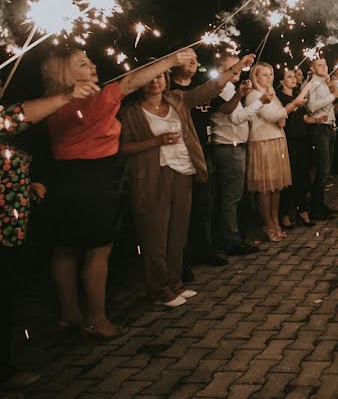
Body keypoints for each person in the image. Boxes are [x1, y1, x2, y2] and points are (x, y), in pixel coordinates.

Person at [41, 48, 195, 339]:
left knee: (66, 248)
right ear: (65, 74)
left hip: (64, 179)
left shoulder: (51, 104)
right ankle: (98, 320)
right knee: (98, 251)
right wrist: (171, 60)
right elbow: (130, 82)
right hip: (93, 181)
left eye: (90, 60)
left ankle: (69, 313)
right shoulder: (92, 102)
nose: (93, 65)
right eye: (83, 64)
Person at [118, 54, 254, 306]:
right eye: (150, 77)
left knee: (178, 233)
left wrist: (237, 67)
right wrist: (155, 142)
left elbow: (210, 88)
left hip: (183, 171)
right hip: (152, 177)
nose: (155, 81)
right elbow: (122, 148)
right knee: (155, 235)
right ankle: (159, 290)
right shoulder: (130, 112)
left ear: (166, 79)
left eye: (160, 76)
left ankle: (174, 283)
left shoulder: (178, 100)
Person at [1, 81, 99, 390]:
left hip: (10, 221)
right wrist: (66, 96)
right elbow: (12, 116)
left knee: (9, 292)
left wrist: (22, 183)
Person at [168, 48, 227, 279]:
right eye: (187, 57)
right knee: (183, 210)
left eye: (195, 57)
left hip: (204, 151)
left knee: (205, 203)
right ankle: (181, 258)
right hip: (180, 154)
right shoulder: (172, 92)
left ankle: (205, 248)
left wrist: (239, 93)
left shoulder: (201, 86)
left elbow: (225, 108)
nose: (193, 61)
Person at [207, 55, 264, 256]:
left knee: (235, 196)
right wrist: (260, 102)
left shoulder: (231, 88)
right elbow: (238, 118)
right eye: (232, 66)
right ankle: (230, 240)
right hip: (227, 147)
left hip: (235, 146)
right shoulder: (222, 89)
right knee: (230, 197)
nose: (238, 68)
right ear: (221, 69)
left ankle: (234, 236)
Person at [245, 62, 306, 242]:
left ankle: (275, 222)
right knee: (265, 188)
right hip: (263, 143)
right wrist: (293, 104)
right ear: (255, 77)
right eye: (264, 75)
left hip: (277, 141)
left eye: (270, 74)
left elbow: (281, 120)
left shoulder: (272, 95)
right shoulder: (254, 95)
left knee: (276, 187)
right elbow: (273, 116)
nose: (268, 78)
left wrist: (283, 114)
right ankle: (268, 224)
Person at [305, 58, 338, 220]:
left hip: (329, 128)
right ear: (312, 68)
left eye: (325, 64)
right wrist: (334, 95)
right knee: (322, 171)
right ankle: (315, 209)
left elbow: (328, 108)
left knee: (325, 171)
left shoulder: (322, 84)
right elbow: (311, 106)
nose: (324, 66)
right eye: (319, 64)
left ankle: (320, 205)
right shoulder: (312, 84)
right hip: (318, 130)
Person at [276, 68, 316, 228]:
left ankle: (302, 211)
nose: (293, 79)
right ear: (281, 81)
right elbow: (290, 110)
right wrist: (307, 87)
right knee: (288, 179)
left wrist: (317, 119)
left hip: (302, 140)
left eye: (294, 76)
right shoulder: (280, 98)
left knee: (302, 177)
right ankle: (284, 214)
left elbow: (303, 117)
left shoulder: (295, 97)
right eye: (289, 77)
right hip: (288, 141)